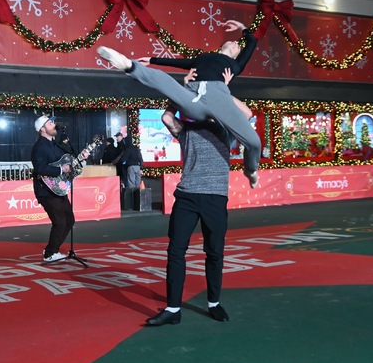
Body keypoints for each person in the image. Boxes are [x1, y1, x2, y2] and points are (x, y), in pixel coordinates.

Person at [97, 19, 262, 188]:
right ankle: (130, 66)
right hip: (193, 97)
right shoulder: (203, 58)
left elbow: (252, 42)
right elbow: (180, 63)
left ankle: (250, 170)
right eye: (233, 42)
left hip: (218, 97)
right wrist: (152, 60)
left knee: (254, 142)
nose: (236, 43)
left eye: (238, 46)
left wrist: (243, 29)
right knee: (165, 80)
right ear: (220, 47)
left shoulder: (235, 64)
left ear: (236, 56)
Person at [146, 77, 232, 326]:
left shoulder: (226, 129)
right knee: (175, 250)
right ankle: (173, 309)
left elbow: (236, 110)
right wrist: (181, 91)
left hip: (215, 197)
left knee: (214, 252)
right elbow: (165, 118)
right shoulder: (187, 130)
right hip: (187, 196)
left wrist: (222, 87)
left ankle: (214, 303)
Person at [31, 115, 89, 264]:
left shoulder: (56, 145)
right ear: (42, 129)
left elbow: (67, 165)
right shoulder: (39, 147)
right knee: (60, 222)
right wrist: (60, 170)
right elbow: (40, 168)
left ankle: (51, 249)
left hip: (58, 189)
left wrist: (80, 158)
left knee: (69, 220)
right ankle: (50, 253)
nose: (53, 124)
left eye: (53, 122)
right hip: (46, 191)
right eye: (50, 123)